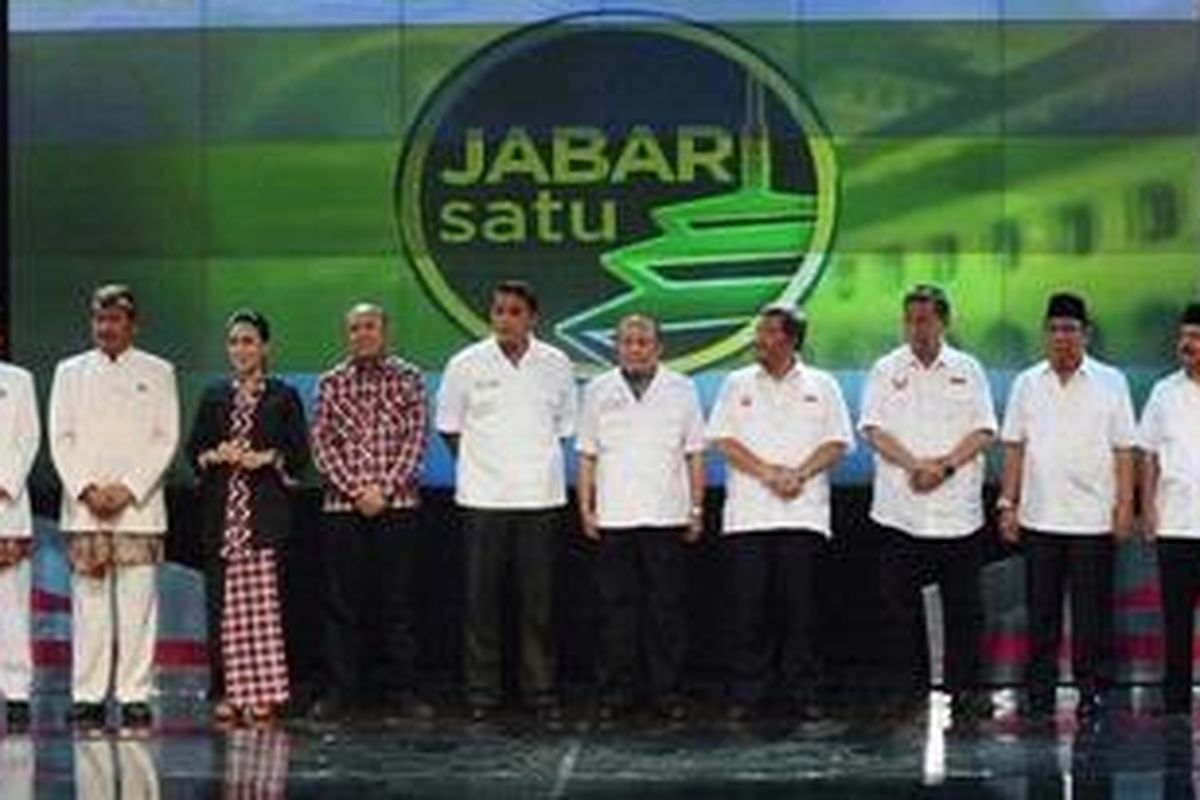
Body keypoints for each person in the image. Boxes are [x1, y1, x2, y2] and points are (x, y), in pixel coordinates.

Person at [436, 280, 577, 725]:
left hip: (540, 497)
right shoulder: (465, 363)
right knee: (481, 602)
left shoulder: (556, 362)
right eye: (498, 310)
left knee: (538, 604)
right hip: (482, 499)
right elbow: (449, 427)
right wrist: (483, 466)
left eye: (515, 312)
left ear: (532, 318)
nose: (504, 319)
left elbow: (564, 427)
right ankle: (482, 693)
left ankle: (541, 692)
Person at [707, 307, 853, 723]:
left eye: (768, 332)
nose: (759, 339)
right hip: (749, 514)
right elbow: (723, 439)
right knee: (749, 609)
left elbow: (838, 442)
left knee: (801, 610)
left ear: (791, 339)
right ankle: (749, 694)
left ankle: (803, 693)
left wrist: (799, 473)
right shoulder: (736, 383)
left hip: (803, 514)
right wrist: (767, 473)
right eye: (759, 331)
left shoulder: (822, 385)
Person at [859, 285, 996, 723]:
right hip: (900, 509)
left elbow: (983, 430)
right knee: (898, 609)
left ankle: (966, 691)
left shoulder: (968, 369)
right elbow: (874, 429)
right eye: (910, 320)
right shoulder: (886, 369)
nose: (916, 329)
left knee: (965, 610)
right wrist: (915, 465)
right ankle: (906, 690)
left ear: (943, 322)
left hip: (957, 510)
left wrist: (944, 467)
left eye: (924, 320)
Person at [998, 291, 1136, 724]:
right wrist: (1007, 503)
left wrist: (1124, 506)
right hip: (1039, 516)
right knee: (1041, 611)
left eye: (1070, 329)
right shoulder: (1027, 383)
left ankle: (1091, 690)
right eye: (1055, 329)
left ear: (1085, 334)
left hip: (1094, 518)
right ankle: (1039, 693)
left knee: (1092, 614)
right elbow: (1015, 447)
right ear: (1045, 334)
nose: (1062, 337)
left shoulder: (1111, 382)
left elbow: (1124, 450)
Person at [49, 284, 180, 728]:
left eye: (115, 319)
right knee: (89, 605)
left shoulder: (158, 371)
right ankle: (87, 694)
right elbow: (61, 437)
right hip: (85, 508)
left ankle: (134, 693)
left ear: (133, 324)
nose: (106, 327)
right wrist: (87, 489)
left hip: (138, 509)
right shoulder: (69, 372)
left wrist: (127, 489)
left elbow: (165, 437)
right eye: (99, 318)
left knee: (137, 604)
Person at [576, 314, 705, 723]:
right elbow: (587, 455)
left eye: (643, 342)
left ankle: (667, 693)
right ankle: (616, 693)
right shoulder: (598, 389)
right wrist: (585, 507)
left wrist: (697, 508)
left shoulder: (682, 388)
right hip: (615, 516)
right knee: (616, 611)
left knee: (667, 612)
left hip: (667, 514)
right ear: (616, 346)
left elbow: (694, 453)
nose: (634, 348)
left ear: (658, 347)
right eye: (627, 341)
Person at [310, 303, 432, 720]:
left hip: (398, 505)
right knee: (343, 604)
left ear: (385, 331)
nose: (362, 334)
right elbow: (322, 445)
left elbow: (416, 441)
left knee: (399, 602)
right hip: (342, 508)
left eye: (370, 326)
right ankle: (342, 690)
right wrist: (356, 490)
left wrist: (384, 489)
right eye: (355, 328)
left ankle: (404, 691)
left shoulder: (409, 378)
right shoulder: (331, 382)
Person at [187, 310, 309, 725]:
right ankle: (226, 691)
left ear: (265, 347)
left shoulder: (283, 396)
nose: (240, 349)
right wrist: (215, 454)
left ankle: (265, 693)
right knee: (223, 608)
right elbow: (194, 451)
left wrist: (267, 457)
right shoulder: (214, 395)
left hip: (264, 515)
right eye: (234, 342)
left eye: (249, 341)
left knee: (264, 609)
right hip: (223, 516)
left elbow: (299, 455)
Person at [1137, 301, 1200, 717]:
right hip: (1175, 522)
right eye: (1184, 336)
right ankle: (1176, 701)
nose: (1187, 344)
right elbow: (1148, 454)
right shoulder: (1164, 391)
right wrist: (1147, 508)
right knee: (1176, 617)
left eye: (1196, 337)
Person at [0, 352, 40, 730]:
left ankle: (16, 692)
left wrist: (4, 483)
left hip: (6, 505)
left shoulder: (18, 379)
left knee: (11, 605)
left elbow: (28, 439)